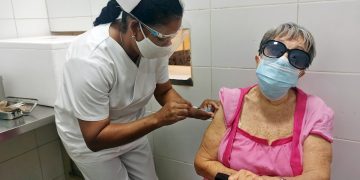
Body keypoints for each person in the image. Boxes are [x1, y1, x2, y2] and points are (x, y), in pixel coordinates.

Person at [55, 0, 218, 180]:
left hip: (133, 128)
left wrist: (192, 110)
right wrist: (157, 119)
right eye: (163, 38)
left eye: (172, 36)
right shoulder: (90, 58)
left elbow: (163, 91)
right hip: (92, 140)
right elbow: (95, 137)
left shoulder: (153, 45)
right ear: (134, 27)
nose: (168, 44)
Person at [194, 23, 334, 180]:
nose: (283, 61)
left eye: (297, 57)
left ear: (300, 73)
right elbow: (202, 162)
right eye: (275, 49)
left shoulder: (315, 112)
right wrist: (238, 178)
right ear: (258, 59)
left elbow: (319, 176)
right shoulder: (230, 102)